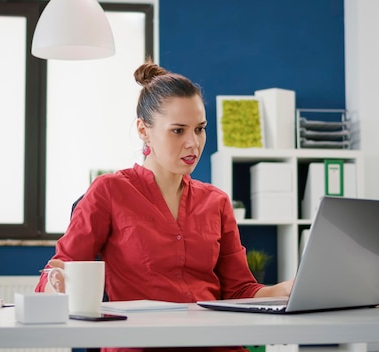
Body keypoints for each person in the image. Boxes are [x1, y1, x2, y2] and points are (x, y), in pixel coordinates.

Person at [35, 60, 293, 352]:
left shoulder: (216, 202)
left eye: (200, 129)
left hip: (213, 345)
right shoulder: (109, 192)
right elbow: (58, 271)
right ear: (144, 131)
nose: (193, 143)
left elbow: (239, 290)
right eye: (178, 131)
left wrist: (283, 291)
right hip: (141, 345)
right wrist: (55, 286)